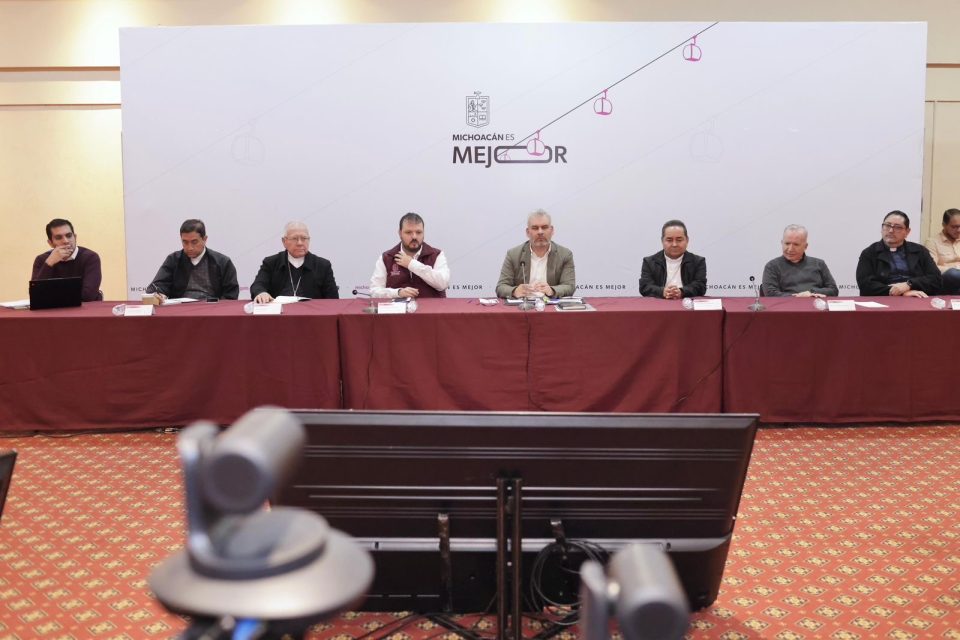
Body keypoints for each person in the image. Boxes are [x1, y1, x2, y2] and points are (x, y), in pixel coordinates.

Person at [145, 219, 239, 301]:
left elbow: (230, 295)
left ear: (204, 239)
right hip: (180, 310)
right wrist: (159, 295)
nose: (189, 248)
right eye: (185, 242)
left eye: (194, 242)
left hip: (211, 309)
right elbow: (157, 286)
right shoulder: (173, 260)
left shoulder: (222, 262)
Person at [856, 210, 941, 297]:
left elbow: (936, 279)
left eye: (898, 227)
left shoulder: (919, 251)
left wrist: (909, 285)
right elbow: (865, 285)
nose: (891, 230)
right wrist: (900, 292)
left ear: (907, 232)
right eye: (887, 225)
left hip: (917, 297)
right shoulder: (870, 253)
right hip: (884, 298)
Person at [250, 221, 339, 303]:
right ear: (284, 241)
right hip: (279, 313)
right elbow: (258, 285)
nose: (300, 243)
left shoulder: (322, 265)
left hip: (312, 313)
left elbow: (333, 299)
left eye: (304, 238)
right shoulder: (271, 263)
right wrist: (261, 293)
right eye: (294, 238)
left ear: (309, 240)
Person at [495, 209, 576, 298]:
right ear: (528, 232)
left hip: (550, 304)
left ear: (552, 230)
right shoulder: (513, 254)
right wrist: (515, 291)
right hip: (523, 304)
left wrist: (552, 290)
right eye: (535, 228)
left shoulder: (565, 254)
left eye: (544, 227)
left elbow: (569, 286)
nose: (540, 232)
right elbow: (501, 287)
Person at [370, 212, 450, 298]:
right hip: (398, 307)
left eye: (418, 232)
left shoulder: (436, 255)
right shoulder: (387, 257)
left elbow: (443, 283)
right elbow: (374, 292)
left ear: (423, 233)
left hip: (432, 307)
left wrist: (412, 264)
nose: (414, 236)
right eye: (408, 232)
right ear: (400, 233)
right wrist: (398, 293)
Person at [32, 218, 102, 302]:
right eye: (58, 237)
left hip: (85, 308)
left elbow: (88, 296)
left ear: (75, 237)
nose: (66, 241)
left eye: (69, 236)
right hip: (53, 309)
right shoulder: (42, 260)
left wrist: (52, 294)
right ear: (50, 243)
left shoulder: (90, 257)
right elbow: (36, 295)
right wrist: (49, 263)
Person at [761, 224, 838, 297]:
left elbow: (833, 290)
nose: (790, 249)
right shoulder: (772, 266)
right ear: (782, 243)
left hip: (815, 305)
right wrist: (798, 297)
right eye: (787, 243)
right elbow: (770, 294)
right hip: (787, 305)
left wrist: (811, 292)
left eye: (796, 244)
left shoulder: (819, 264)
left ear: (805, 246)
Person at [638, 220, 706, 299]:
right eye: (669, 240)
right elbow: (645, 287)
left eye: (679, 240)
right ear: (662, 241)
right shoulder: (649, 262)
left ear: (687, 240)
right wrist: (662, 291)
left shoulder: (698, 262)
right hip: (659, 303)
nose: (674, 244)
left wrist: (682, 292)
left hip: (686, 303)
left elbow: (700, 287)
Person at [924, 208, 960, 294]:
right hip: (944, 280)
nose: (959, 230)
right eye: (954, 227)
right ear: (944, 225)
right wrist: (956, 268)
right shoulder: (932, 242)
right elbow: (932, 269)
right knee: (953, 273)